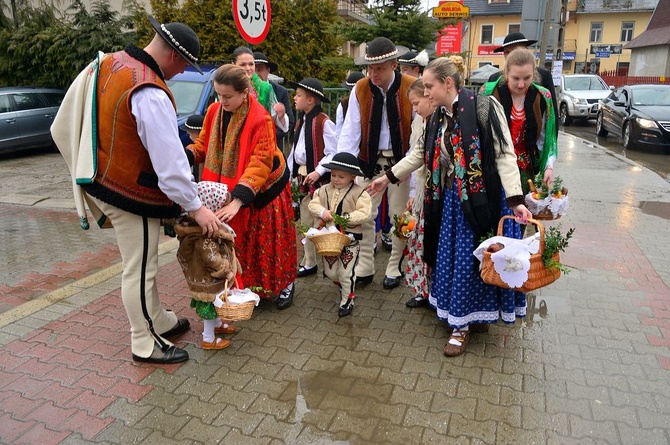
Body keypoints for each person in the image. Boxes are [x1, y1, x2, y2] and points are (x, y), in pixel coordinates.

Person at [51, 17, 222, 364]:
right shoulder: (150, 89)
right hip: (131, 191)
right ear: (174, 57)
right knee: (140, 266)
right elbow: (170, 164)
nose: (178, 74)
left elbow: (65, 121)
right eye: (183, 67)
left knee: (143, 262)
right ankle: (143, 341)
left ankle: (157, 318)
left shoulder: (110, 62)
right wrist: (195, 206)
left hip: (107, 178)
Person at [367, 57, 533, 357]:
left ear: (448, 83)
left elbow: (504, 154)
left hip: (484, 198)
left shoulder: (484, 107)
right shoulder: (437, 118)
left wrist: (516, 200)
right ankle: (462, 323)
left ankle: (470, 321)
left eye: (430, 86)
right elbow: (418, 154)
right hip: (453, 203)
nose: (426, 91)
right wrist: (386, 178)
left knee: (480, 260)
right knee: (460, 263)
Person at [185, 64, 298, 310]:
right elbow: (203, 144)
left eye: (227, 96)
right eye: (218, 95)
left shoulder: (261, 118)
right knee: (241, 241)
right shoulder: (214, 111)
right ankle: (244, 288)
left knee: (267, 242)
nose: (221, 101)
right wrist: (186, 156)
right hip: (235, 188)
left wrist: (237, 199)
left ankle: (283, 285)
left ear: (244, 93)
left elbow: (260, 161)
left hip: (266, 189)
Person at [337, 37, 415, 290]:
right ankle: (365, 266)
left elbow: (418, 132)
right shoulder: (360, 88)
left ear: (394, 65)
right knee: (363, 215)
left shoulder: (411, 87)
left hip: (400, 163)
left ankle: (394, 265)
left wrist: (410, 170)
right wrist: (345, 169)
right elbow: (350, 131)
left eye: (379, 68)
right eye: (370, 68)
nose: (373, 74)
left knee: (399, 217)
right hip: (369, 163)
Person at [480, 47, 558, 195]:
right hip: (494, 169)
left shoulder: (542, 97)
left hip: (525, 172)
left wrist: (548, 168)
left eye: (527, 78)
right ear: (506, 73)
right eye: (516, 78)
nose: (521, 84)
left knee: (521, 214)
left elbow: (546, 138)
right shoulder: (488, 92)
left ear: (534, 73)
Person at [308, 153, 372, 316]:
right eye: (333, 175)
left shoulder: (359, 193)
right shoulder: (323, 190)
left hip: (349, 240)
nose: (336, 179)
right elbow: (313, 204)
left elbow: (365, 213)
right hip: (328, 240)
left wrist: (345, 219)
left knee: (346, 272)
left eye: (341, 176)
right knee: (330, 272)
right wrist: (322, 212)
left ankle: (347, 299)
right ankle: (344, 286)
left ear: (352, 176)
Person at [286, 78, 338, 278]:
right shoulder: (301, 121)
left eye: (298, 95)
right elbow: (294, 151)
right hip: (302, 176)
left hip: (318, 178)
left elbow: (332, 152)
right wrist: (289, 173)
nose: (295, 98)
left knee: (321, 221)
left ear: (310, 100)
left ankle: (329, 262)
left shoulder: (324, 122)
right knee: (306, 221)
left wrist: (318, 171)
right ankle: (309, 262)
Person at [402, 78, 436, 308]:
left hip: (434, 193)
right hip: (421, 190)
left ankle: (434, 292)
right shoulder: (419, 123)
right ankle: (422, 290)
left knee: (431, 243)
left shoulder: (439, 123)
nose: (414, 109)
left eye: (416, 103)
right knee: (418, 242)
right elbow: (414, 154)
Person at [488, 32, 559, 137]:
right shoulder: (494, 80)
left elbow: (551, 115)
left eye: (516, 50)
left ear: (526, 50)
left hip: (532, 144)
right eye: (507, 52)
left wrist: (549, 147)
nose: (521, 84)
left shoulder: (543, 76)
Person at [231, 47, 289, 136]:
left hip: (259, 141)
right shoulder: (227, 86)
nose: (248, 68)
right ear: (233, 65)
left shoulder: (265, 88)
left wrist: (280, 115)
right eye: (243, 65)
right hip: (232, 138)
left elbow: (277, 120)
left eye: (251, 64)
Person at [254, 51, 294, 152]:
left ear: (268, 70)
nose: (257, 74)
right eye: (253, 71)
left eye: (260, 69)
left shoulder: (280, 91)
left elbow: (289, 121)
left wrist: (268, 136)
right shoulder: (244, 91)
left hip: (274, 145)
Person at [335, 71, 365, 139]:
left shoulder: (371, 102)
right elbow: (339, 128)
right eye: (351, 90)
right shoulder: (343, 104)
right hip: (349, 140)